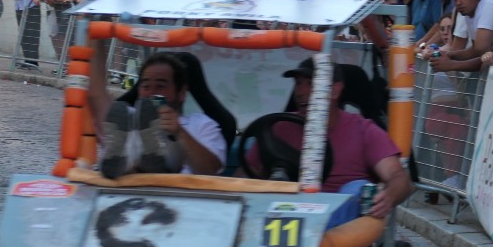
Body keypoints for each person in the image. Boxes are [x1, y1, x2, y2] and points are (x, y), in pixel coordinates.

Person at [246, 57, 411, 218]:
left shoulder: (364, 130)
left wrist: (388, 196)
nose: (300, 92)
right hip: (280, 214)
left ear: (335, 90)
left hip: (340, 230)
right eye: (298, 83)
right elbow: (246, 174)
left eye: (311, 83)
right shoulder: (279, 127)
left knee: (357, 188)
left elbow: (398, 176)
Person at [92, 52, 227, 178]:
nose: (151, 93)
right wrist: (96, 34)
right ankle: (130, 163)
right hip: (125, 194)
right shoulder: (126, 115)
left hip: (178, 194)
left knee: (167, 148)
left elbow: (211, 170)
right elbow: (96, 95)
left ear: (181, 93)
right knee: (120, 119)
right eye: (146, 86)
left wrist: (179, 132)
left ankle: (150, 163)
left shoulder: (202, 124)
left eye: (160, 86)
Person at [429, 0, 493, 72]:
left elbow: (484, 57)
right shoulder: (469, 12)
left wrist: (451, 65)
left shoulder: (486, 9)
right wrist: (449, 54)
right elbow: (475, 50)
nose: (458, 2)